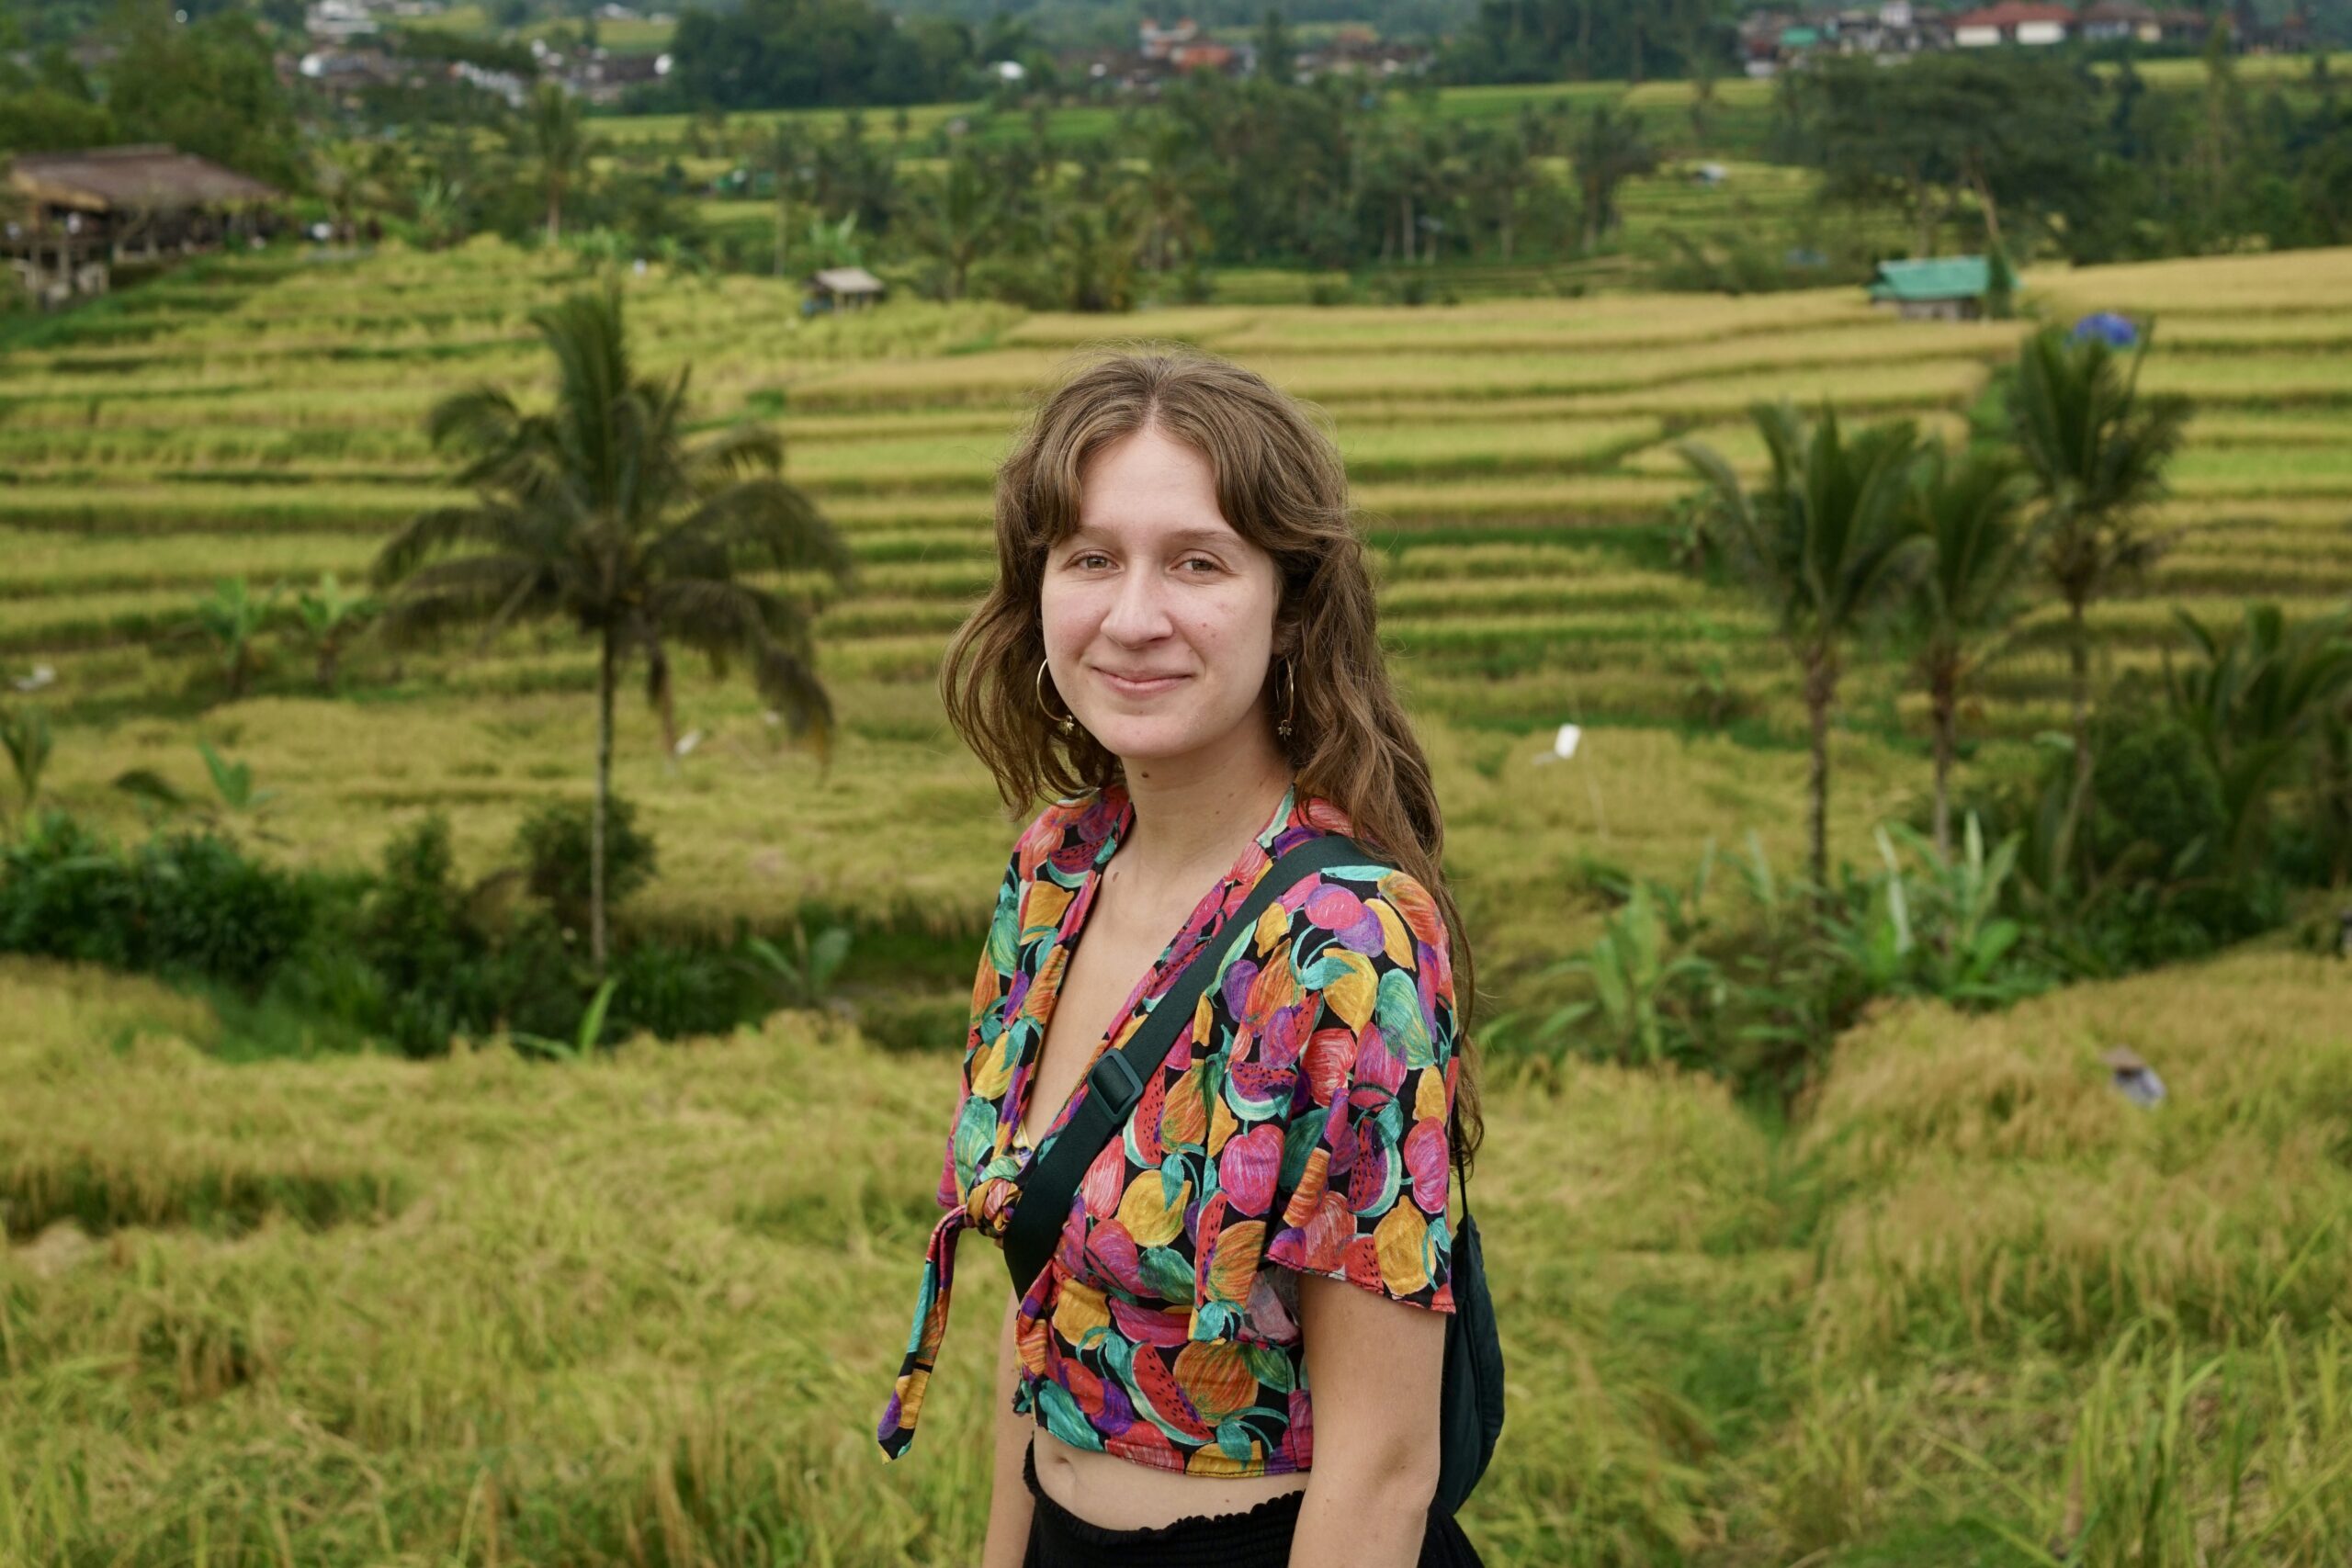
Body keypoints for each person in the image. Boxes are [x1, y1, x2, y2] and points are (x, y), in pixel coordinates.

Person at [875, 347, 1487, 1568]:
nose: (1134, 615)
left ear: (1289, 603)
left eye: (1197, 562)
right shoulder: (1054, 876)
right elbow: (1037, 1309)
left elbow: (1383, 1471)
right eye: (1091, 558)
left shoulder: (1346, 942)